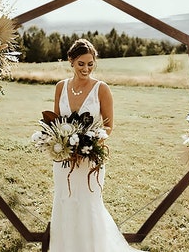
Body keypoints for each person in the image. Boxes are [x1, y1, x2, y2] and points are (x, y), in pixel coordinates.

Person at [50, 38, 144, 251]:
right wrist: (61, 143)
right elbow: (55, 121)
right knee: (65, 200)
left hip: (90, 160)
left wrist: (89, 145)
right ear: (71, 61)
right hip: (63, 160)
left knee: (88, 204)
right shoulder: (60, 87)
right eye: (81, 63)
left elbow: (109, 126)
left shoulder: (101, 89)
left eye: (90, 64)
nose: (86, 68)